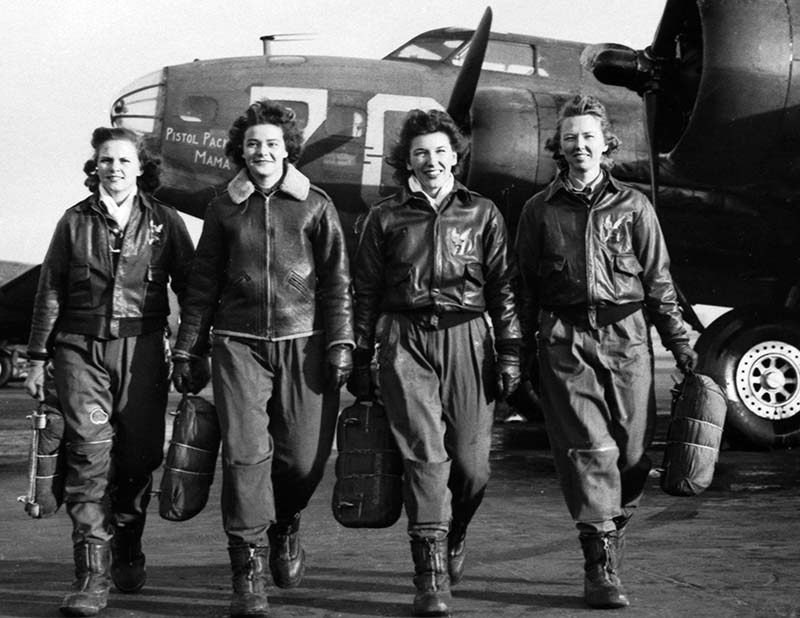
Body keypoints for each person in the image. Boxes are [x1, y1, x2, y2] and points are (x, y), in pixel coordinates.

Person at [171, 99, 354, 618]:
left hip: (306, 341)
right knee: (246, 456)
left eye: (272, 143)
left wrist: (341, 342)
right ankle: (247, 571)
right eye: (253, 144)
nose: (262, 151)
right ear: (241, 151)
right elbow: (202, 283)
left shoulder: (316, 205)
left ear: (287, 149)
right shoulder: (223, 207)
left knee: (302, 459)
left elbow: (338, 283)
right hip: (238, 343)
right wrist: (189, 346)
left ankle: (286, 522)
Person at [515, 94, 698, 609]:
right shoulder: (537, 211)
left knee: (634, 456)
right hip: (565, 341)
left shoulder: (635, 205)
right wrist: (517, 355)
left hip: (628, 339)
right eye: (570, 137)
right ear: (559, 147)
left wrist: (680, 344)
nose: (579, 145)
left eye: (588, 136)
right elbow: (525, 287)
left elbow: (659, 281)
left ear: (605, 144)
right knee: (589, 450)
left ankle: (611, 531)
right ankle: (599, 565)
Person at [349, 108, 521, 617]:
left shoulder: (483, 212)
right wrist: (362, 355)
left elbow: (503, 289)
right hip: (404, 340)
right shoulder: (384, 217)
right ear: (408, 159)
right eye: (421, 151)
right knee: (425, 458)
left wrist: (510, 352)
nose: (431, 160)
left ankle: (455, 529)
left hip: (468, 337)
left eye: (441, 151)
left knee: (471, 467)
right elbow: (365, 293)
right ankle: (430, 576)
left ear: (455, 157)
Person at [25, 127, 196, 617]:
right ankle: (91, 576)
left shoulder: (166, 221)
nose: (114, 168)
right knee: (89, 458)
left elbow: (189, 287)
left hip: (143, 348)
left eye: (124, 160)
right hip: (79, 349)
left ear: (141, 167)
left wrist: (189, 351)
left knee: (140, 458)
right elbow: (51, 289)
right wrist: (38, 357)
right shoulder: (73, 221)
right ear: (94, 166)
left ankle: (127, 540)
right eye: (106, 160)